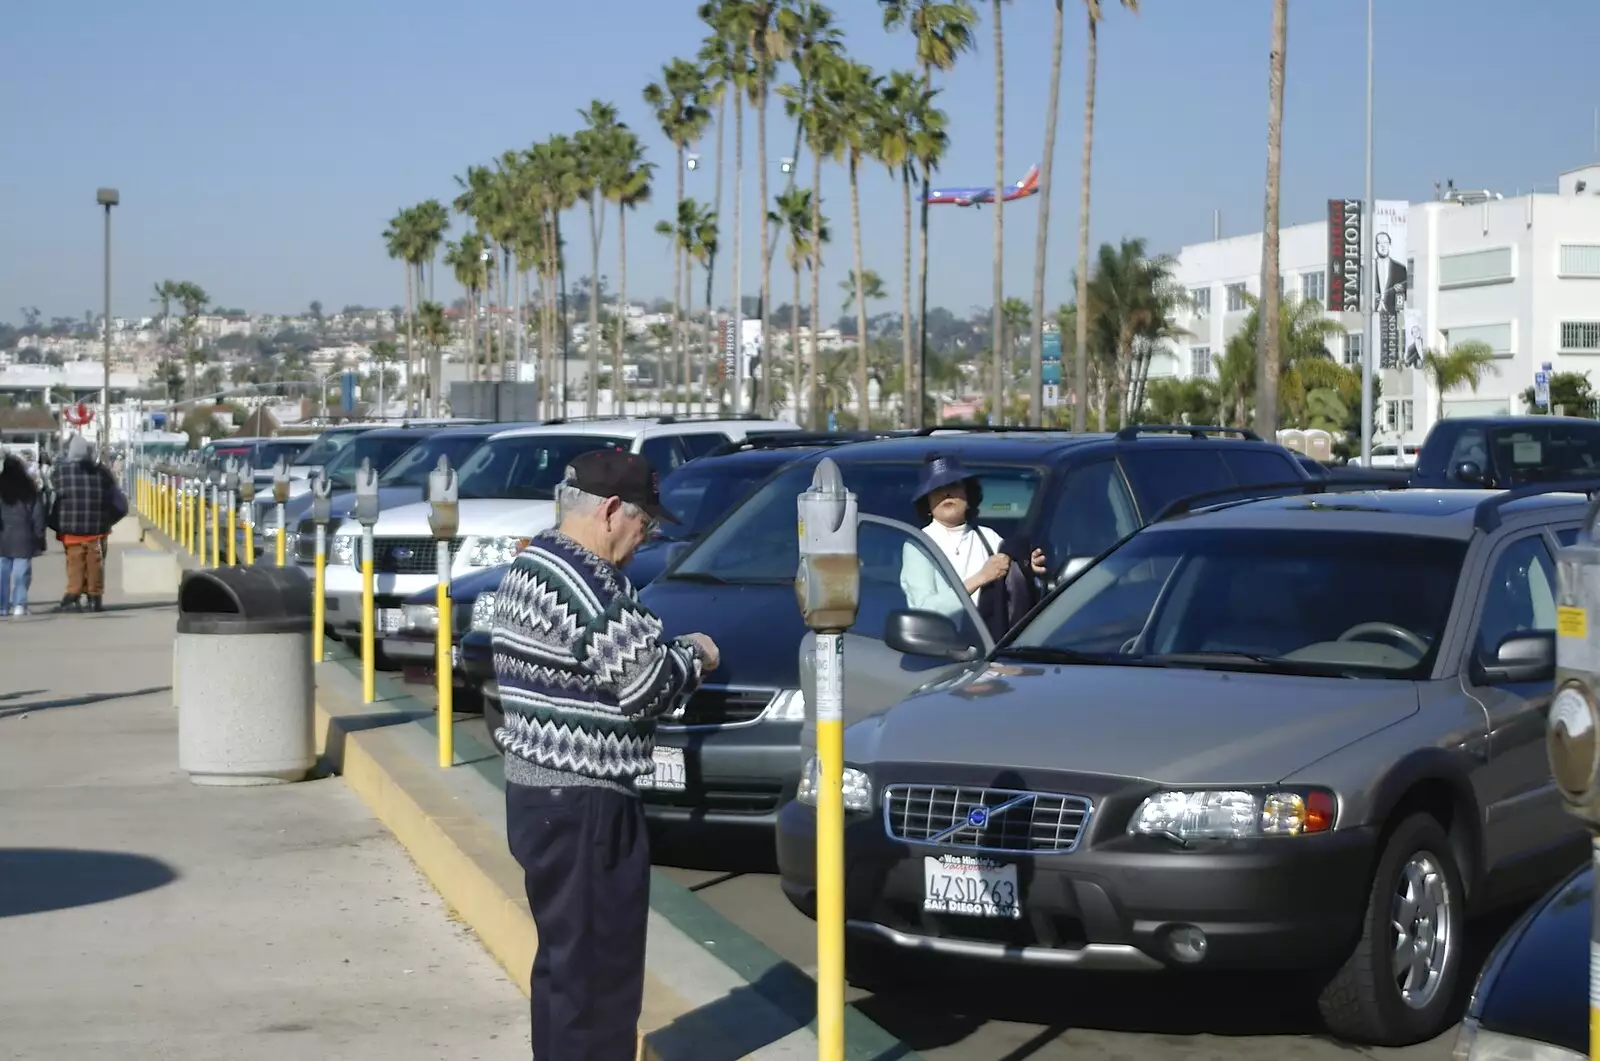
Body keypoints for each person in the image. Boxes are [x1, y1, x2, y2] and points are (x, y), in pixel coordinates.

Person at [490, 448, 718, 1061]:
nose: (643, 540)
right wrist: (696, 653)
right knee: (599, 977)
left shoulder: (533, 562)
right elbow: (647, 685)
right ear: (612, 510)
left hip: (541, 795)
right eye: (644, 524)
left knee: (568, 971)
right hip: (585, 800)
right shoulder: (586, 580)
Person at [900, 454, 1047, 637]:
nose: (947, 493)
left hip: (992, 646)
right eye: (937, 488)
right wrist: (980, 578)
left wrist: (1027, 566)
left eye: (953, 485)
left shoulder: (989, 537)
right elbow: (925, 608)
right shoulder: (918, 545)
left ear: (968, 496)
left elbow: (1013, 588)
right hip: (943, 649)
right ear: (927, 503)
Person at [47, 434, 126, 613]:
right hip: (97, 530)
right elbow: (118, 502)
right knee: (95, 563)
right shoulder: (102, 472)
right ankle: (94, 598)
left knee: (75, 563)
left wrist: (53, 522)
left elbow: (53, 497)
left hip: (71, 529)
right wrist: (107, 521)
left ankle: (72, 596)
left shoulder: (60, 472)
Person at [0, 454, 47, 616]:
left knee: (2, 573)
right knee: (21, 573)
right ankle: (19, 604)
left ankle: (2, 606)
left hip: (2, 535)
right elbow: (38, 514)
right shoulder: (29, 487)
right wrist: (39, 534)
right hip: (23, 534)